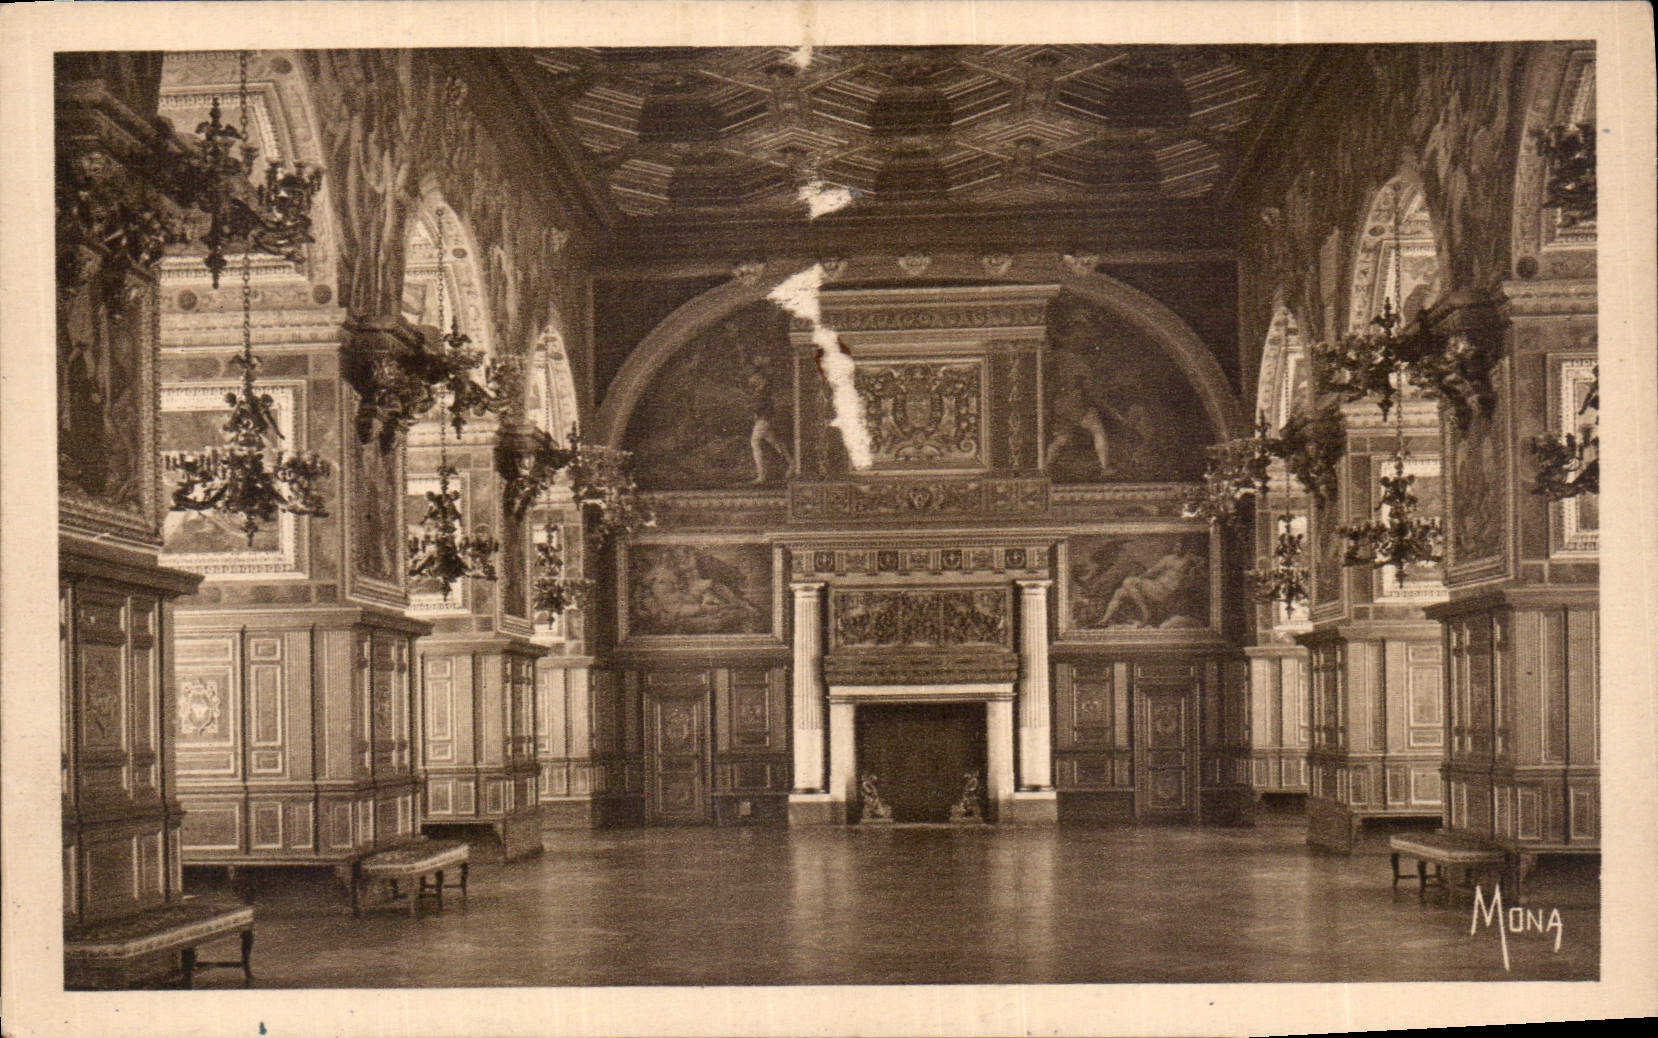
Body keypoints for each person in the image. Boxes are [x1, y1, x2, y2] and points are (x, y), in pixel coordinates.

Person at [1100, 543, 1205, 628]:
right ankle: (1104, 621)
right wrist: (1140, 578)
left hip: (1166, 590)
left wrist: (1193, 570)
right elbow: (1153, 571)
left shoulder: (1189, 558)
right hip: (1156, 586)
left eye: (1179, 546)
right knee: (1120, 592)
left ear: (1185, 547)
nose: (1176, 548)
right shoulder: (1168, 558)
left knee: (1128, 581)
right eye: (1175, 546)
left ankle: (1146, 614)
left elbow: (1202, 565)